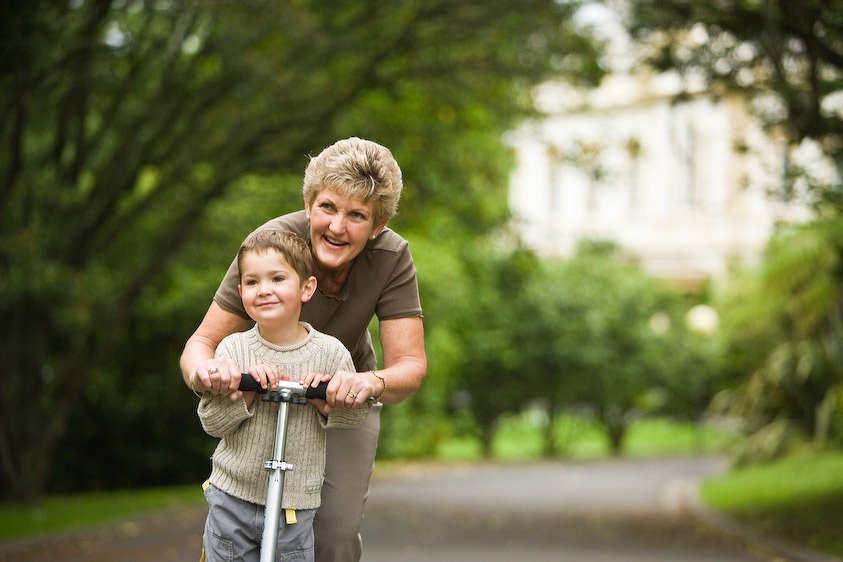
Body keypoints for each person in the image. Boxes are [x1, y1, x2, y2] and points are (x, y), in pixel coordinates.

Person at [181, 137, 427, 561]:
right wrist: (207, 373)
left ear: (378, 225)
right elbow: (201, 344)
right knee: (237, 521)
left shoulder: (391, 257)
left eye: (357, 216)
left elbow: (409, 367)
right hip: (261, 386)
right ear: (309, 203)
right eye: (328, 207)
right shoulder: (269, 246)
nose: (337, 227)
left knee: (333, 534)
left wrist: (365, 383)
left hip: (340, 390)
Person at [198, 228, 372, 561]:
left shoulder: (330, 354)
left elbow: (355, 412)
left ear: (307, 287)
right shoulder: (233, 349)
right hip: (233, 499)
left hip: (295, 506)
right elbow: (211, 422)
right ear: (240, 291)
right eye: (252, 282)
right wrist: (245, 394)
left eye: (277, 278)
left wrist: (326, 401)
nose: (264, 290)